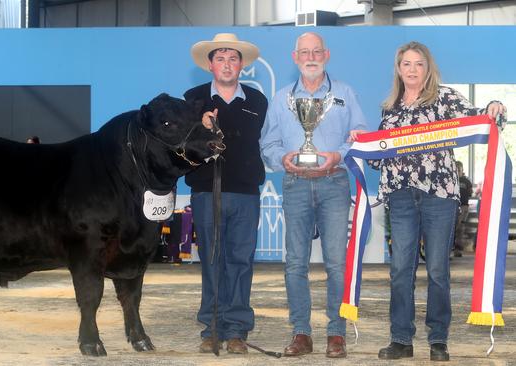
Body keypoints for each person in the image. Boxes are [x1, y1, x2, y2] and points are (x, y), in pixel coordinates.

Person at [349, 41, 506, 362]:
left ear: (427, 68)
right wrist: (362, 145)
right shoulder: (389, 108)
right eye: (406, 63)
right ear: (398, 69)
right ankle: (401, 339)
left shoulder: (444, 97)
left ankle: (438, 340)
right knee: (400, 269)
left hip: (440, 195)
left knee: (437, 270)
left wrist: (493, 107)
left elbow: (479, 118)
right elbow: (380, 160)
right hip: (400, 196)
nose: (412, 69)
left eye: (418, 63)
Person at [259, 32, 367, 359]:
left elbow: (360, 138)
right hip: (295, 184)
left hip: (335, 183)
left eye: (316, 51)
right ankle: (301, 333)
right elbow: (268, 145)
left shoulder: (345, 94)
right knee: (295, 263)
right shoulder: (281, 99)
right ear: (295, 58)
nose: (310, 56)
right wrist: (283, 160)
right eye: (304, 52)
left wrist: (339, 155)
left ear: (327, 55)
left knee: (336, 262)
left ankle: (336, 334)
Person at [184, 33, 268, 354]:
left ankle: (237, 329)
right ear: (210, 65)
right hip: (206, 191)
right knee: (212, 260)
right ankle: (211, 327)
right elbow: (182, 146)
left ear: (242, 65)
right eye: (220, 58)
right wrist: (199, 129)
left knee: (241, 260)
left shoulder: (258, 101)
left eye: (233, 58)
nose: (227, 64)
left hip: (246, 192)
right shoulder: (192, 100)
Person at [453, 160, 472, 257]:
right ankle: (451, 248)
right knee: (453, 227)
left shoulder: (466, 181)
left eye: (459, 170)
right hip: (453, 206)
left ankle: (458, 249)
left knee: (460, 228)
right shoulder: (451, 180)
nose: (458, 172)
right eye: (456, 170)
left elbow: (470, 193)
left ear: (462, 170)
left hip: (463, 206)